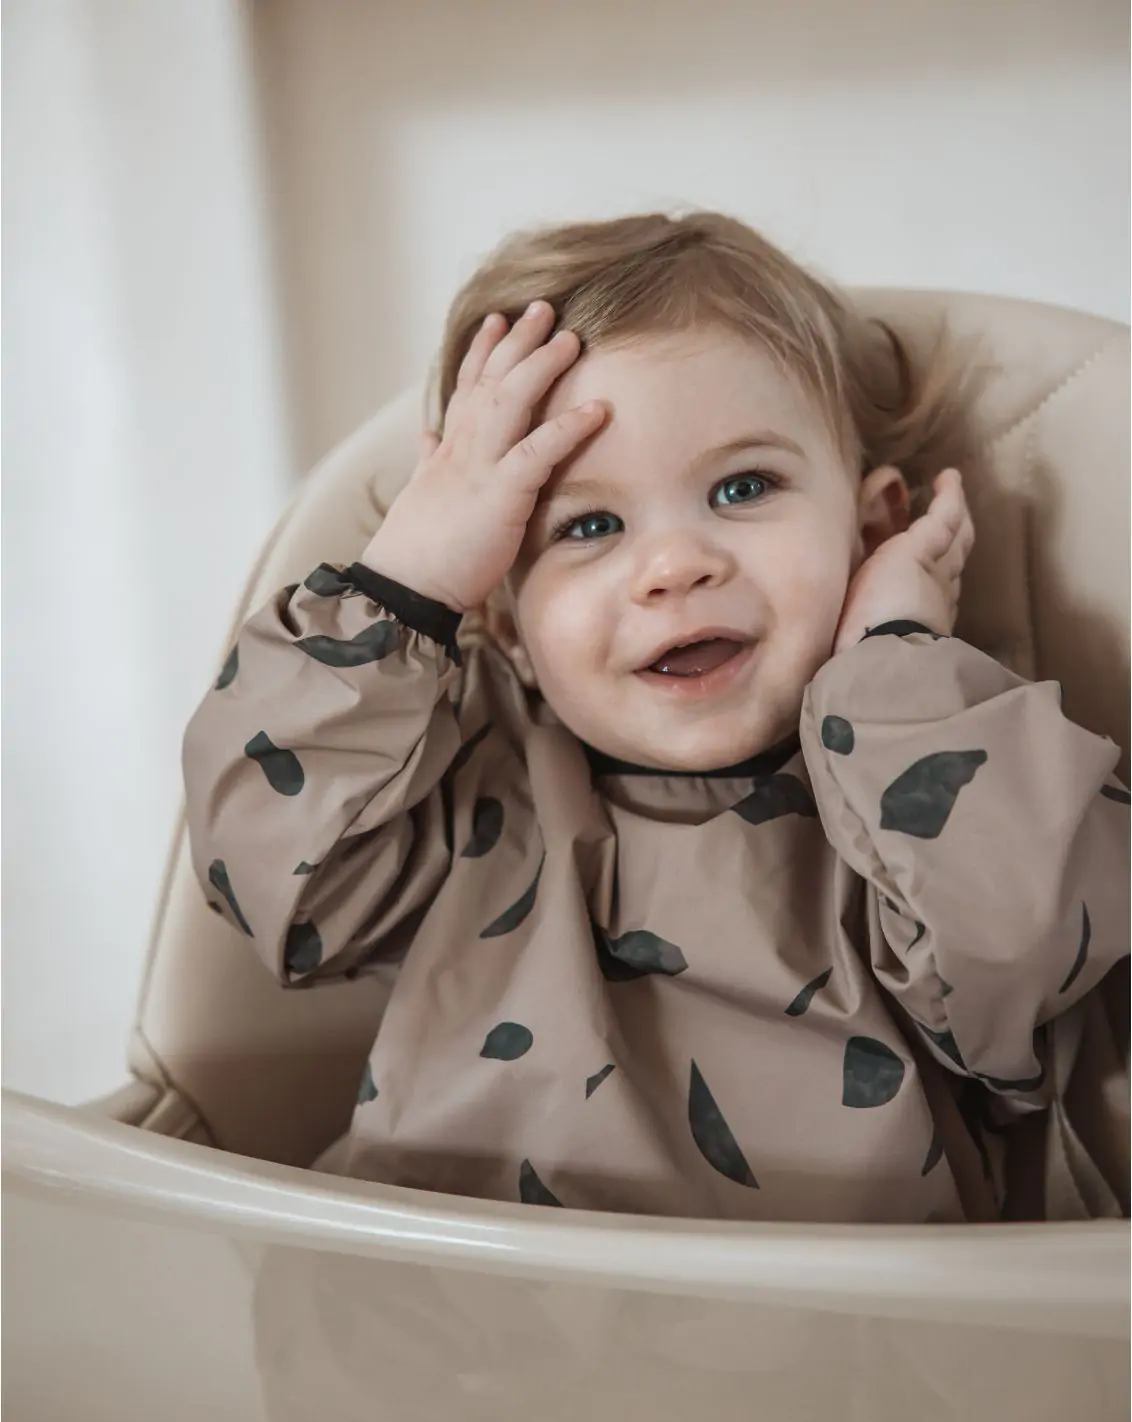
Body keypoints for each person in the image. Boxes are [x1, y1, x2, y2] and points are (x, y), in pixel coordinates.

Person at [182, 211, 1129, 1222]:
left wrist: (896, 656)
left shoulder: (919, 780)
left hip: (835, 1320)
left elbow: (1024, 947)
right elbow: (265, 877)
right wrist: (407, 586)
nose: (675, 565)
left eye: (743, 486)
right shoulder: (463, 788)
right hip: (451, 1309)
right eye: (589, 525)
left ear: (872, 528)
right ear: (503, 619)